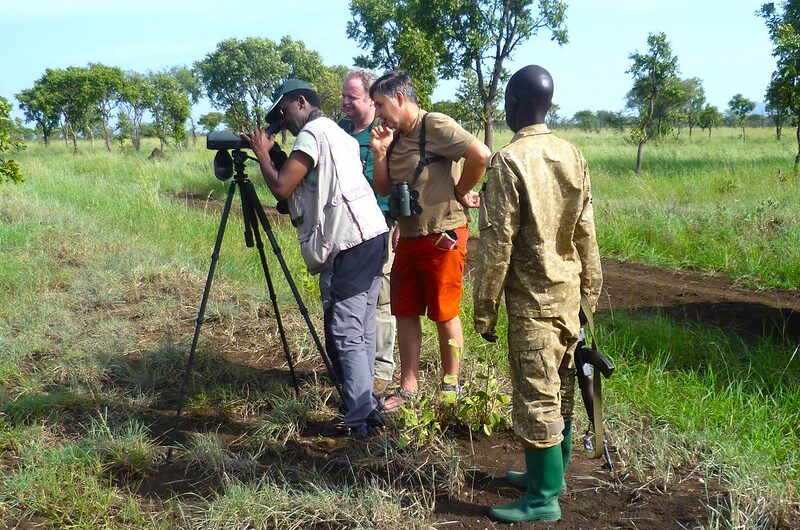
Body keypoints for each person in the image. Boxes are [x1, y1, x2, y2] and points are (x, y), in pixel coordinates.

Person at [472, 65, 603, 523]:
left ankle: (543, 498)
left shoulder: (508, 161)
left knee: (536, 397)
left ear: (512, 105)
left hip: (533, 304)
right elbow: (587, 232)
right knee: (561, 387)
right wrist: (591, 293)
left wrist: (484, 308)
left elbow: (496, 243)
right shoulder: (573, 154)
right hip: (569, 299)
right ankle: (552, 475)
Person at [241, 79, 388, 438]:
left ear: (301, 102)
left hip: (349, 241)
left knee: (346, 332)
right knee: (364, 327)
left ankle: (359, 422)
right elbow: (308, 180)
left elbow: (281, 188)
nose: (282, 120)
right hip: (374, 234)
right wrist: (276, 156)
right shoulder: (339, 135)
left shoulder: (311, 133)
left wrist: (262, 153)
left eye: (284, 111)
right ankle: (367, 409)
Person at [368, 71, 490, 412]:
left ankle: (451, 386)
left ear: (400, 99)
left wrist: (460, 191)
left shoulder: (433, 124)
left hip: (443, 235)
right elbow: (383, 188)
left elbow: (479, 154)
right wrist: (379, 153)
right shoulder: (394, 137)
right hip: (408, 234)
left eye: (380, 104)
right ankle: (408, 386)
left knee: (443, 312)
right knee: (405, 310)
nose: (377, 112)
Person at [338, 68, 396, 395]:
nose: (345, 102)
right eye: (344, 96)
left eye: (352, 97)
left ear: (371, 99)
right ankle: (354, 362)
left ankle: (381, 369)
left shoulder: (384, 131)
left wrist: (398, 225)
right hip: (347, 229)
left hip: (380, 224)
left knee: (381, 297)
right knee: (351, 298)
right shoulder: (341, 132)